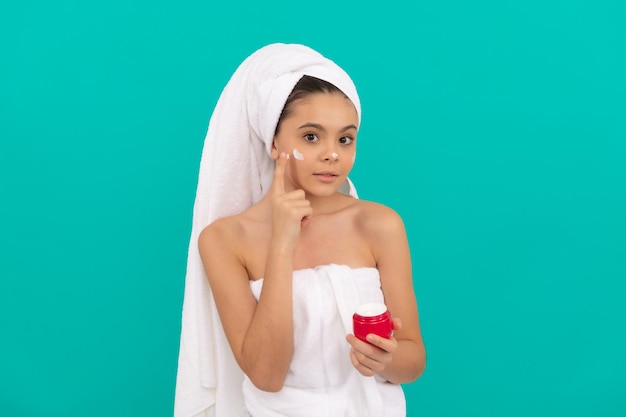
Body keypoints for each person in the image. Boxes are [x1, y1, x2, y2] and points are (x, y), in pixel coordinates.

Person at [174, 43, 426, 417]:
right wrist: (281, 244)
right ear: (274, 142)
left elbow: (413, 360)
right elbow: (266, 376)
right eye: (311, 136)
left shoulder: (379, 224)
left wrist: (384, 360)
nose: (332, 154)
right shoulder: (225, 240)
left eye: (345, 138)